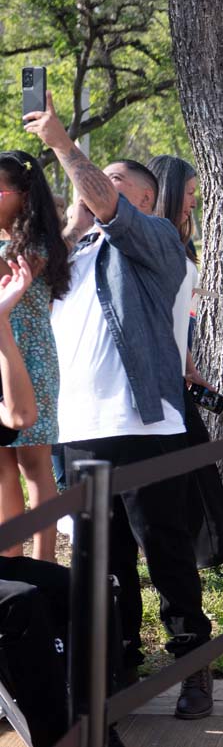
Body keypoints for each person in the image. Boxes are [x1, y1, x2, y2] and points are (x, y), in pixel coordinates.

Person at [25, 90, 213, 717]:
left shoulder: (157, 242)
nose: (94, 185)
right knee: (102, 562)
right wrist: (67, 228)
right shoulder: (67, 254)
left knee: (166, 551)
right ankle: (119, 664)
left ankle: (192, 665)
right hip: (76, 429)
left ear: (144, 200)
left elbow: (104, 203)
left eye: (112, 180)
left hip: (143, 425)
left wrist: (60, 141)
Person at [147, 154, 223, 572]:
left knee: (198, 462)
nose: (194, 201)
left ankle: (212, 544)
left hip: (176, 369)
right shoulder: (149, 244)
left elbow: (177, 315)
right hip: (156, 376)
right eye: (190, 193)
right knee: (187, 466)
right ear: (170, 191)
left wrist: (188, 361)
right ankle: (204, 547)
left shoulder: (179, 241)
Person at [0, 152, 69, 563]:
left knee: (35, 466)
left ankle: (45, 565)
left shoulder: (36, 246)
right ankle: (10, 562)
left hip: (32, 359)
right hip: (2, 359)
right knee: (3, 467)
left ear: (23, 195)